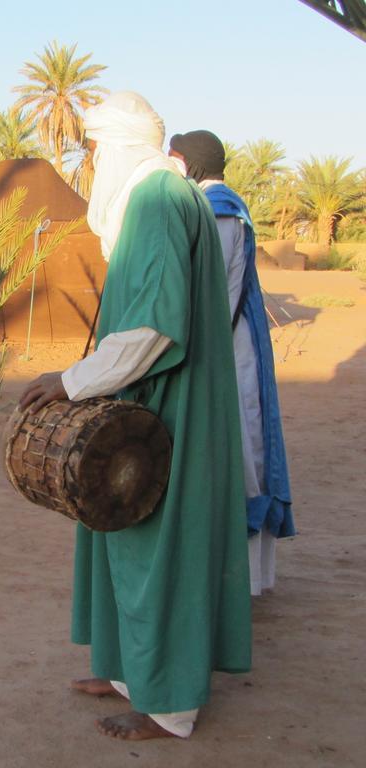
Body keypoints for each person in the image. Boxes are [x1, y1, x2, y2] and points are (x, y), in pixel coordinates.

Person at [18, 93, 252, 740]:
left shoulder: (154, 200)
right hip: (153, 402)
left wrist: (70, 381)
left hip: (165, 407)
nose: (91, 163)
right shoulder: (173, 197)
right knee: (125, 538)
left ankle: (168, 703)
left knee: (159, 549)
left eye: (94, 149)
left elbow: (153, 327)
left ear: (119, 147)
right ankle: (129, 672)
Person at [168, 130, 295, 596]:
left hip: (227, 350)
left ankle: (242, 580)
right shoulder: (215, 205)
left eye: (175, 160)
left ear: (191, 164)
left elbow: (216, 293)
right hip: (228, 346)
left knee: (241, 455)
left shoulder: (219, 211)